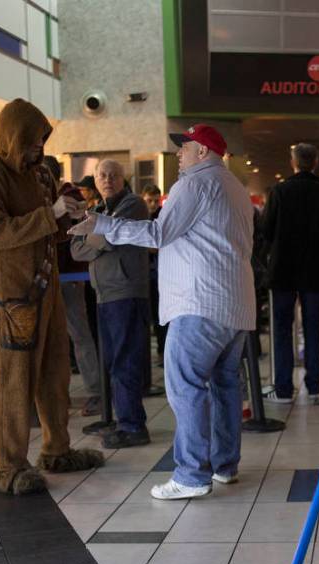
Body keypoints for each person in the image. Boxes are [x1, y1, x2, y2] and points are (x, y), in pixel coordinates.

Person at [69, 123, 256, 500]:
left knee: (186, 386)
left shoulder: (194, 183)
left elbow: (158, 234)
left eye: (184, 147)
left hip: (199, 302)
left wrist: (102, 223)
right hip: (235, 303)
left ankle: (190, 476)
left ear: (203, 151)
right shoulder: (236, 187)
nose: (178, 154)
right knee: (224, 385)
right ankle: (224, 465)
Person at [0, 98, 102, 495]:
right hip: (12, 295)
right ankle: (7, 466)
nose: (38, 149)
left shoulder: (41, 174)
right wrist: (52, 214)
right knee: (13, 380)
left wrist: (70, 220)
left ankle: (56, 448)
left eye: (41, 141)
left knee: (54, 371)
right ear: (14, 137)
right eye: (32, 142)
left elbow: (46, 231)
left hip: (46, 290)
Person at [71, 159, 151, 447]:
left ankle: (132, 426)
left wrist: (98, 236)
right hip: (104, 295)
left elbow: (111, 237)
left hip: (126, 292)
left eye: (113, 175)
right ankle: (120, 419)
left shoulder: (133, 204)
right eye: (102, 175)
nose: (107, 179)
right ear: (95, 180)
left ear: (123, 177)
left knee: (125, 361)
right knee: (113, 361)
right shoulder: (98, 211)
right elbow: (76, 249)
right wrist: (100, 236)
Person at [261, 142, 319, 403]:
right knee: (313, 327)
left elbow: (266, 230)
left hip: (283, 270)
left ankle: (284, 388)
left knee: (282, 329)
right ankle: (313, 384)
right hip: (316, 270)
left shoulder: (279, 191)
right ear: (316, 162)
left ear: (293, 162)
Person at [44, 155, 102, 417]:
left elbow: (76, 234)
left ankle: (96, 392)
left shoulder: (69, 197)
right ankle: (56, 394)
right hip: (48, 276)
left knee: (79, 334)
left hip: (67, 276)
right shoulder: (43, 198)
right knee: (53, 340)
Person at [142, 184, 167, 358]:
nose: (152, 204)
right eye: (149, 200)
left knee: (160, 315)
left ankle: (162, 349)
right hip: (144, 272)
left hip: (159, 273)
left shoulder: (162, 216)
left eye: (155, 201)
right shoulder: (139, 216)